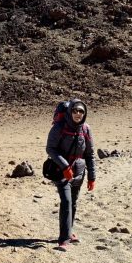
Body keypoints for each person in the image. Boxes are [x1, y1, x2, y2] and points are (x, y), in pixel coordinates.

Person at [46, 99, 95, 251]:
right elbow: (51, 149)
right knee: (66, 202)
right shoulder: (59, 127)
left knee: (72, 202)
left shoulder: (85, 129)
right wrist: (65, 166)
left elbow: (90, 154)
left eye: (81, 111)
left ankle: (69, 231)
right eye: (75, 111)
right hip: (61, 171)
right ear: (69, 112)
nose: (78, 114)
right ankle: (64, 240)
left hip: (79, 172)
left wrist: (92, 177)